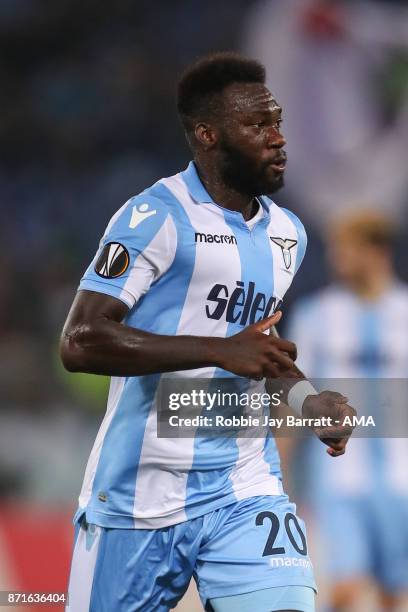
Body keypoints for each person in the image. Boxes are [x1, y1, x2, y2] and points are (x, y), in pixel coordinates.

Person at [60, 53, 354, 612]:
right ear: (208, 135)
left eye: (278, 121)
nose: (278, 138)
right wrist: (222, 351)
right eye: (258, 126)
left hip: (245, 487)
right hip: (139, 498)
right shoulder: (154, 217)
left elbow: (260, 356)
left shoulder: (288, 234)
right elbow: (80, 341)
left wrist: (308, 401)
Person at [286, 210, 408, 611]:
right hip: (338, 480)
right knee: (344, 591)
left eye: (347, 250)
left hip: (402, 480)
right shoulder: (315, 316)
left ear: (376, 252)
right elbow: (293, 398)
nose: (337, 260)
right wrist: (280, 474)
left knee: (397, 595)